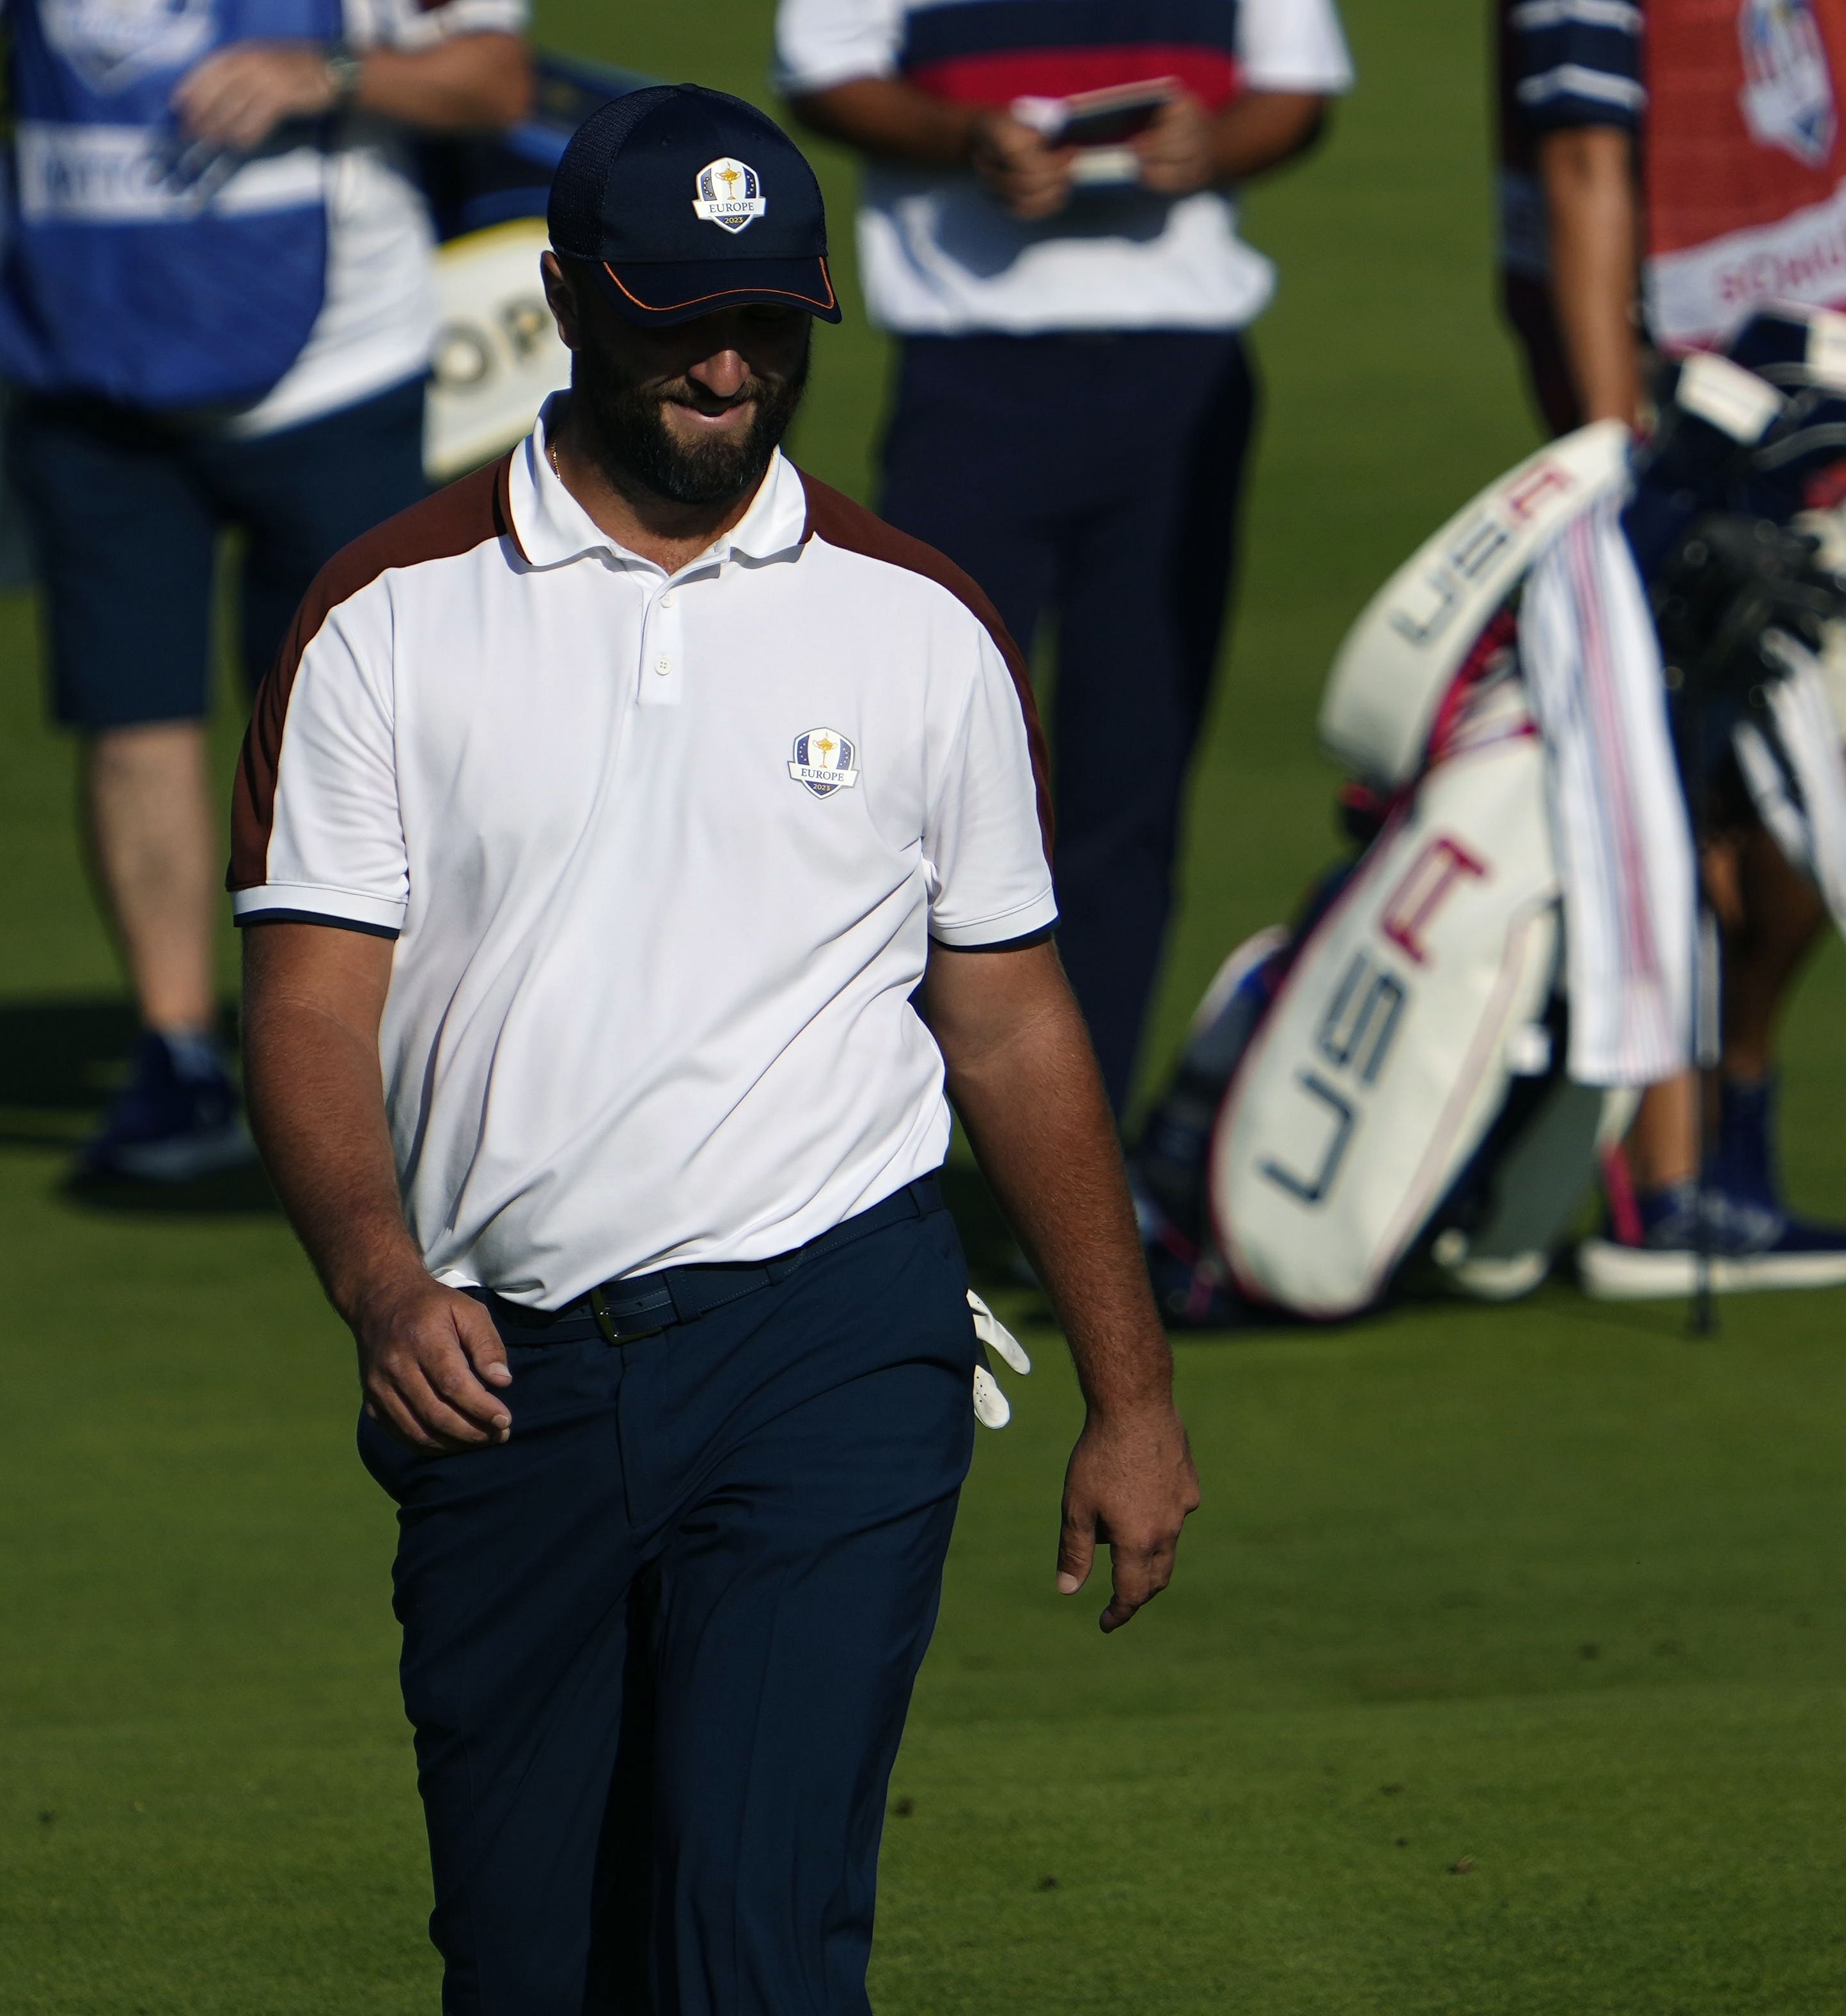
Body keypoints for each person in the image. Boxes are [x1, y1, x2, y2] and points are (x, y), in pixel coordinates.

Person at [231, 86, 1198, 2011]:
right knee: (528, 1966)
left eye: (768, 319)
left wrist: (1131, 1386)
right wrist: (376, 1278)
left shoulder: (922, 627)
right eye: (682, 317)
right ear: (572, 300)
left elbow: (1008, 1025)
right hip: (500, 1376)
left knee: (750, 1942)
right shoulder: (384, 618)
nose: (731, 365)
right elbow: (315, 1002)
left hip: (830, 1337)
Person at [776, 0, 1352, 1117]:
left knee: (1127, 782)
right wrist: (965, 138)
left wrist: (1213, 147)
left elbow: (1295, 89)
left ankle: (1071, 1153)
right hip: (968, 371)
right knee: (905, 779)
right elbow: (822, 68)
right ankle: (871, 1149)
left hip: (1179, 376)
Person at [3, 0, 531, 1181]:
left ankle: (375, 1056)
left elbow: (496, 80)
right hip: (87, 361)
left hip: (336, 373)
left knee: (357, 733)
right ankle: (178, 1058)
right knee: (128, 714)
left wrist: (330, 69)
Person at [1494, 0, 1846, 1293]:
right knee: (1680, 796)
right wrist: (1624, 455)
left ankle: (1724, 1132)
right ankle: (1662, 1190)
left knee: (1806, 800)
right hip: (1694, 440)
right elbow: (1580, 162)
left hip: (1814, 418)